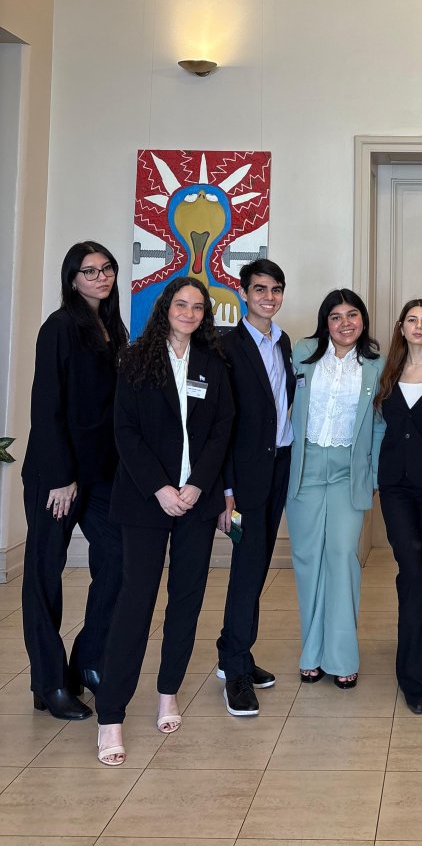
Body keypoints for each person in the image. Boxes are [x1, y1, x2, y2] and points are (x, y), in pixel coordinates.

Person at [95, 278, 233, 766]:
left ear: (205, 315)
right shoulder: (135, 360)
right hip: (145, 500)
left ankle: (168, 691)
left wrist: (196, 486)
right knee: (135, 604)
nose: (189, 313)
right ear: (165, 308)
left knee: (186, 601)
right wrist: (160, 488)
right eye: (181, 304)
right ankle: (111, 715)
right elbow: (125, 431)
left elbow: (222, 430)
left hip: (197, 500)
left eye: (198, 307)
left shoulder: (213, 363)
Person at [22, 241, 128, 721]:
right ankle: (48, 683)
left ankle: (86, 661)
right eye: (90, 271)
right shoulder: (59, 327)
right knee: (44, 575)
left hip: (101, 473)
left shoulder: (113, 328)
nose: (101, 277)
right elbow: (46, 405)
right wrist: (61, 477)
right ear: (72, 279)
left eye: (107, 269)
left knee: (119, 558)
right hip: (57, 476)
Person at [285, 289, 384, 689]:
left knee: (342, 557)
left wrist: (373, 476)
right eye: (336, 316)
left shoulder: (377, 364)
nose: (346, 323)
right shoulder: (302, 352)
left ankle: (342, 655)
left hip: (348, 471)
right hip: (305, 467)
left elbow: (380, 425)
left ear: (363, 320)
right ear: (325, 322)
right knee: (308, 559)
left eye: (353, 315)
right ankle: (311, 653)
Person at [215, 260, 296, 716]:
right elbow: (221, 424)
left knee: (258, 565)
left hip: (279, 466)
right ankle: (235, 671)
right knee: (247, 569)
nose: (269, 297)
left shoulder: (283, 342)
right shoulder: (226, 346)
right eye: (260, 289)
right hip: (244, 477)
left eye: (276, 289)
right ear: (243, 293)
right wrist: (225, 489)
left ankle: (235, 651)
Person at [374, 298, 422, 714]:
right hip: (395, 487)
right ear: (402, 327)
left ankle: (419, 648)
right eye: (412, 320)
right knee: (411, 568)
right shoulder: (386, 370)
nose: (419, 326)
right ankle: (417, 680)